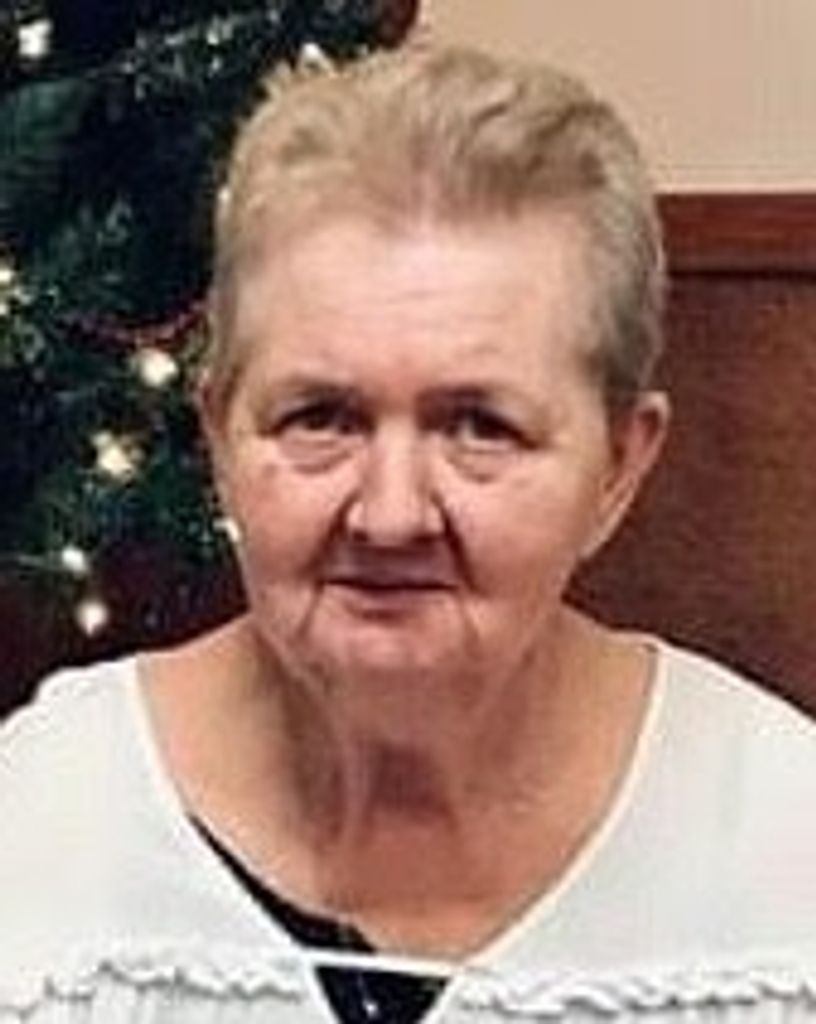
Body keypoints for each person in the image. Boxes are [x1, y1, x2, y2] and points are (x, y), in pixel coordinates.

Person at [2, 43, 815, 1024]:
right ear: (216, 434)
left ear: (619, 466)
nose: (389, 515)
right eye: (320, 418)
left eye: (481, 426)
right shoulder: (43, 835)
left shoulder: (782, 858)